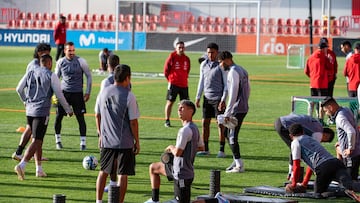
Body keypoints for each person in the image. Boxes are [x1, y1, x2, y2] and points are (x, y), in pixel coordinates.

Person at [14, 54, 73, 180]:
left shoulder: (30, 71)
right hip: (41, 111)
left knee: (38, 140)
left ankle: (39, 169)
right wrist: (68, 109)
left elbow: (19, 89)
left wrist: (26, 101)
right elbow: (59, 94)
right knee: (37, 140)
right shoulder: (51, 75)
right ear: (50, 63)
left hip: (29, 110)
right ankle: (22, 165)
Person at [144, 100, 204, 203]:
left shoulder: (185, 130)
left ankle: (214, 201)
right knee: (154, 168)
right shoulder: (195, 128)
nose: (179, 110)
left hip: (182, 174)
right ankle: (155, 200)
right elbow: (201, 147)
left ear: (190, 111)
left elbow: (178, 153)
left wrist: (172, 148)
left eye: (182, 108)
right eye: (179, 108)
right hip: (177, 169)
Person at [95, 64, 140, 203]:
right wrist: (137, 141)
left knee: (103, 171)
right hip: (124, 142)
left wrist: (101, 134)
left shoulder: (103, 92)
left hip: (107, 140)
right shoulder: (129, 95)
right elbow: (133, 122)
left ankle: (98, 200)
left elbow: (97, 115)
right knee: (122, 174)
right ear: (128, 78)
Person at [286, 123, 360, 202]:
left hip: (324, 167)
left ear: (291, 136)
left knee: (318, 194)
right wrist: (304, 183)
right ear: (303, 131)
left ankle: (345, 193)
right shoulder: (310, 138)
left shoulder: (295, 142)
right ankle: (349, 191)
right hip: (336, 162)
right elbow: (310, 167)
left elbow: (296, 166)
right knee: (349, 184)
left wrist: (293, 184)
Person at [12, 43, 52, 162]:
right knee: (35, 131)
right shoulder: (35, 65)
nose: (48, 55)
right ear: (40, 52)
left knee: (31, 129)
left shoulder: (34, 63)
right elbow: (27, 84)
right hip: (36, 102)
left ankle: (24, 153)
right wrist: (25, 100)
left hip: (32, 101)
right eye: (47, 53)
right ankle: (26, 154)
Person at [54, 41, 92, 150]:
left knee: (80, 118)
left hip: (77, 94)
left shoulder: (81, 61)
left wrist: (88, 92)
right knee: (58, 117)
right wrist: (56, 93)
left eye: (73, 50)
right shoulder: (60, 62)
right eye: (69, 50)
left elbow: (89, 76)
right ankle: (58, 140)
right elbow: (56, 79)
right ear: (65, 50)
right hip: (64, 93)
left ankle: (83, 143)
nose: (72, 52)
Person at [274, 113, 335, 179]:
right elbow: (313, 154)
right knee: (296, 149)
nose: (321, 142)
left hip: (281, 121)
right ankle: (292, 174)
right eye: (324, 140)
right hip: (284, 125)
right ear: (326, 135)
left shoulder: (317, 126)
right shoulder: (318, 134)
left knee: (296, 148)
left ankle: (292, 173)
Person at [217, 51, 250, 173]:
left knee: (232, 136)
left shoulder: (233, 72)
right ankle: (235, 160)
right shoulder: (242, 69)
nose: (220, 65)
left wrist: (227, 113)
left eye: (220, 62)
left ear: (226, 60)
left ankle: (239, 165)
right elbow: (248, 88)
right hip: (242, 107)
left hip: (237, 109)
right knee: (226, 133)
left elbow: (233, 93)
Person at [195, 43, 227, 158]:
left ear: (217, 52)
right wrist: (198, 97)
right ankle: (206, 149)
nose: (210, 54)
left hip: (218, 98)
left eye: (212, 52)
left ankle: (222, 150)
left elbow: (226, 84)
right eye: (208, 52)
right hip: (206, 98)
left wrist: (223, 99)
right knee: (205, 123)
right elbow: (201, 81)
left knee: (220, 124)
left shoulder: (221, 66)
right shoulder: (204, 64)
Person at [94, 54, 121, 192]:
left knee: (108, 158)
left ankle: (112, 183)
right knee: (117, 156)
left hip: (107, 122)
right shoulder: (126, 81)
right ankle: (114, 182)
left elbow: (100, 106)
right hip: (120, 122)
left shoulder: (106, 82)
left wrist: (99, 131)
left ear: (107, 65)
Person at [321, 96, 360, 180]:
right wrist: (341, 142)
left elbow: (351, 131)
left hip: (351, 155)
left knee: (350, 182)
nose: (327, 114)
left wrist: (350, 148)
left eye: (326, 111)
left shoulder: (340, 118)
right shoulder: (346, 110)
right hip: (356, 149)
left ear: (330, 107)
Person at [163, 41, 191, 127]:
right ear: (176, 48)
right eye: (179, 47)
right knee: (170, 102)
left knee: (185, 104)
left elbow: (187, 70)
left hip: (184, 85)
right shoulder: (172, 57)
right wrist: (171, 80)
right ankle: (167, 120)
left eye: (183, 47)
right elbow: (166, 71)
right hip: (173, 84)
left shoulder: (187, 59)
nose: (181, 49)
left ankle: (185, 121)